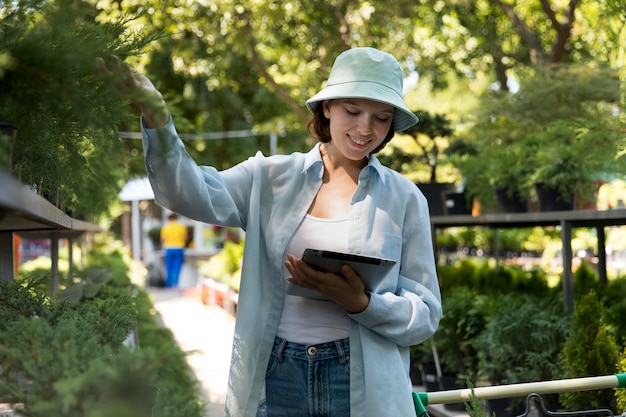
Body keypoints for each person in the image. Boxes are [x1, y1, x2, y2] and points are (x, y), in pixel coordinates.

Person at [97, 46, 442, 417]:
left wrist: (363, 303)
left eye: (382, 118)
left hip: (363, 384)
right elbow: (186, 192)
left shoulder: (405, 198)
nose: (364, 129)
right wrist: (157, 119)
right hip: (278, 374)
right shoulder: (269, 178)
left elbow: (425, 314)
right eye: (353, 111)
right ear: (326, 107)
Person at [160, 213, 188, 288]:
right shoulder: (181, 227)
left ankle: (168, 285)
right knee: (177, 267)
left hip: (168, 248)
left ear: (169, 219)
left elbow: (163, 240)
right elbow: (185, 238)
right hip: (179, 248)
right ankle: (175, 284)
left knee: (168, 267)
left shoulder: (165, 228)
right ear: (176, 218)